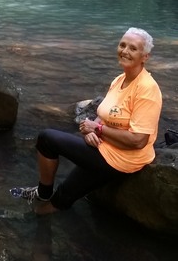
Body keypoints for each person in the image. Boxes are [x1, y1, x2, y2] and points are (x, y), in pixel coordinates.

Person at [11, 27, 162, 215]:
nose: (125, 51)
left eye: (133, 48)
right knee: (61, 199)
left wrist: (97, 129)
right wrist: (92, 131)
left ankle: (42, 193)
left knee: (47, 138)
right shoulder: (120, 79)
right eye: (122, 45)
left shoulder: (147, 89)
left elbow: (139, 140)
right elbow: (105, 114)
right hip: (104, 147)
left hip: (122, 159)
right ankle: (40, 207)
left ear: (145, 56)